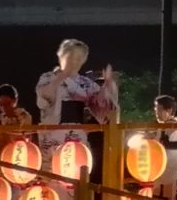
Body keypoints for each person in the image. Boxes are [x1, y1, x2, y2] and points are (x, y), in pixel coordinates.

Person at [35, 39, 119, 173]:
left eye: (79, 58)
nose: (75, 61)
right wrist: (61, 77)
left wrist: (107, 86)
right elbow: (45, 96)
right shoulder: (48, 77)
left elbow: (101, 105)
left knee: (77, 173)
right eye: (71, 57)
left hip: (78, 134)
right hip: (54, 134)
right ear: (62, 56)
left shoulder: (85, 82)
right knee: (53, 175)